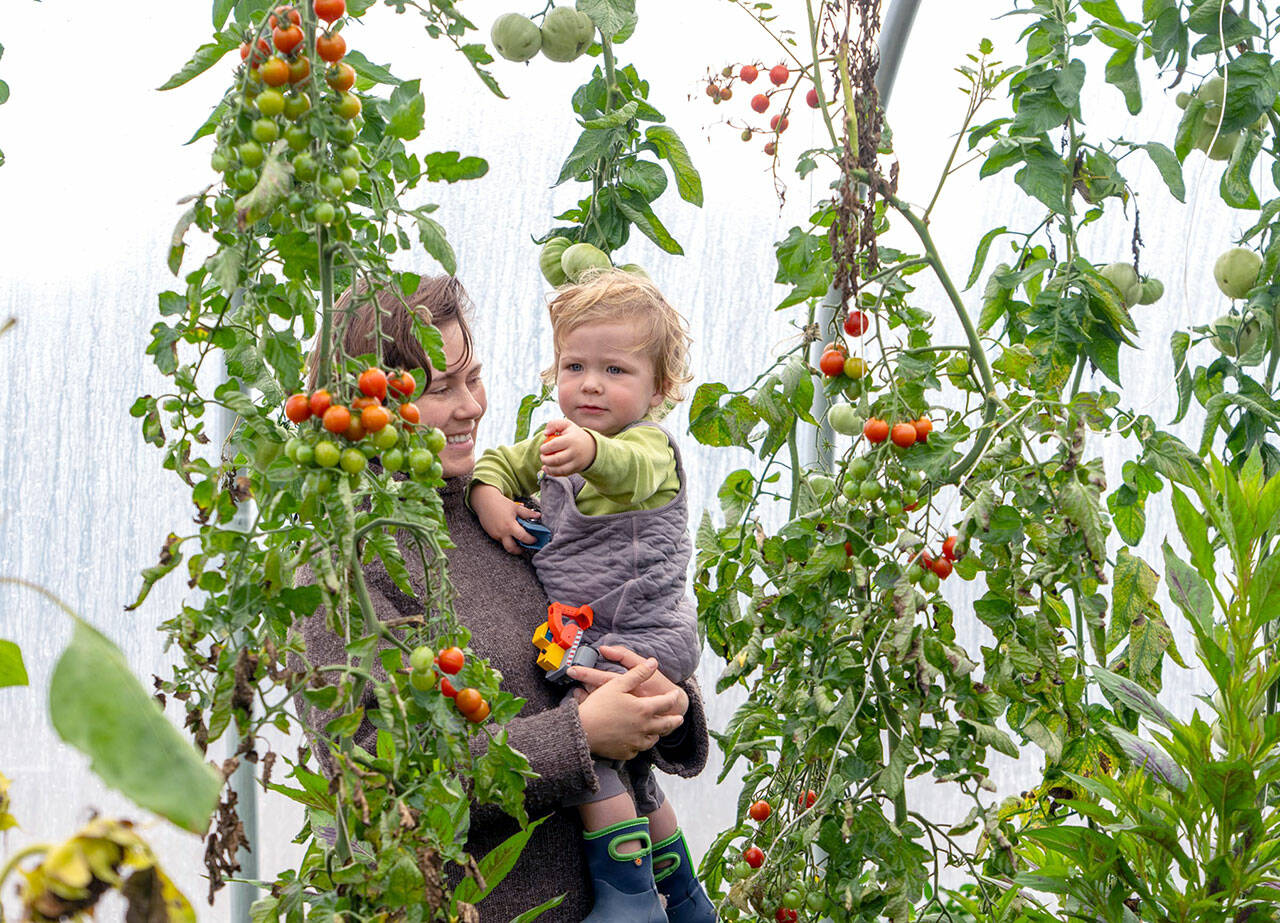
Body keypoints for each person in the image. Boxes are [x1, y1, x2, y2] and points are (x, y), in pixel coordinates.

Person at [293, 276, 712, 923]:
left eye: (473, 377)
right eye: (440, 389)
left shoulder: (506, 513)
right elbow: (374, 777)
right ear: (368, 400)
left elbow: (608, 615)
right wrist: (579, 735)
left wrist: (669, 704)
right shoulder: (340, 568)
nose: (470, 407)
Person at [467, 270, 714, 923]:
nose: (591, 383)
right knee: (635, 773)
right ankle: (683, 893)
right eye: (575, 365)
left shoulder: (648, 446)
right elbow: (497, 466)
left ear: (658, 388)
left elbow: (627, 467)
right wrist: (491, 499)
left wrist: (591, 450)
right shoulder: (555, 443)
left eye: (615, 369)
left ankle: (628, 894)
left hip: (641, 630)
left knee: (592, 740)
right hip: (607, 629)